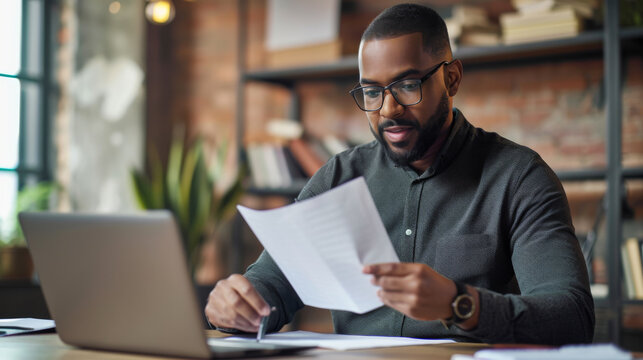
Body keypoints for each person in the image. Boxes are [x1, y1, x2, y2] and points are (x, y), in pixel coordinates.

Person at [205, 3, 594, 345]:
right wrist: (233, 306)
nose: (388, 109)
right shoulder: (338, 177)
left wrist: (460, 304)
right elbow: (271, 286)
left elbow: (571, 316)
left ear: (452, 78)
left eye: (408, 85)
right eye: (371, 92)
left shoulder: (520, 177)